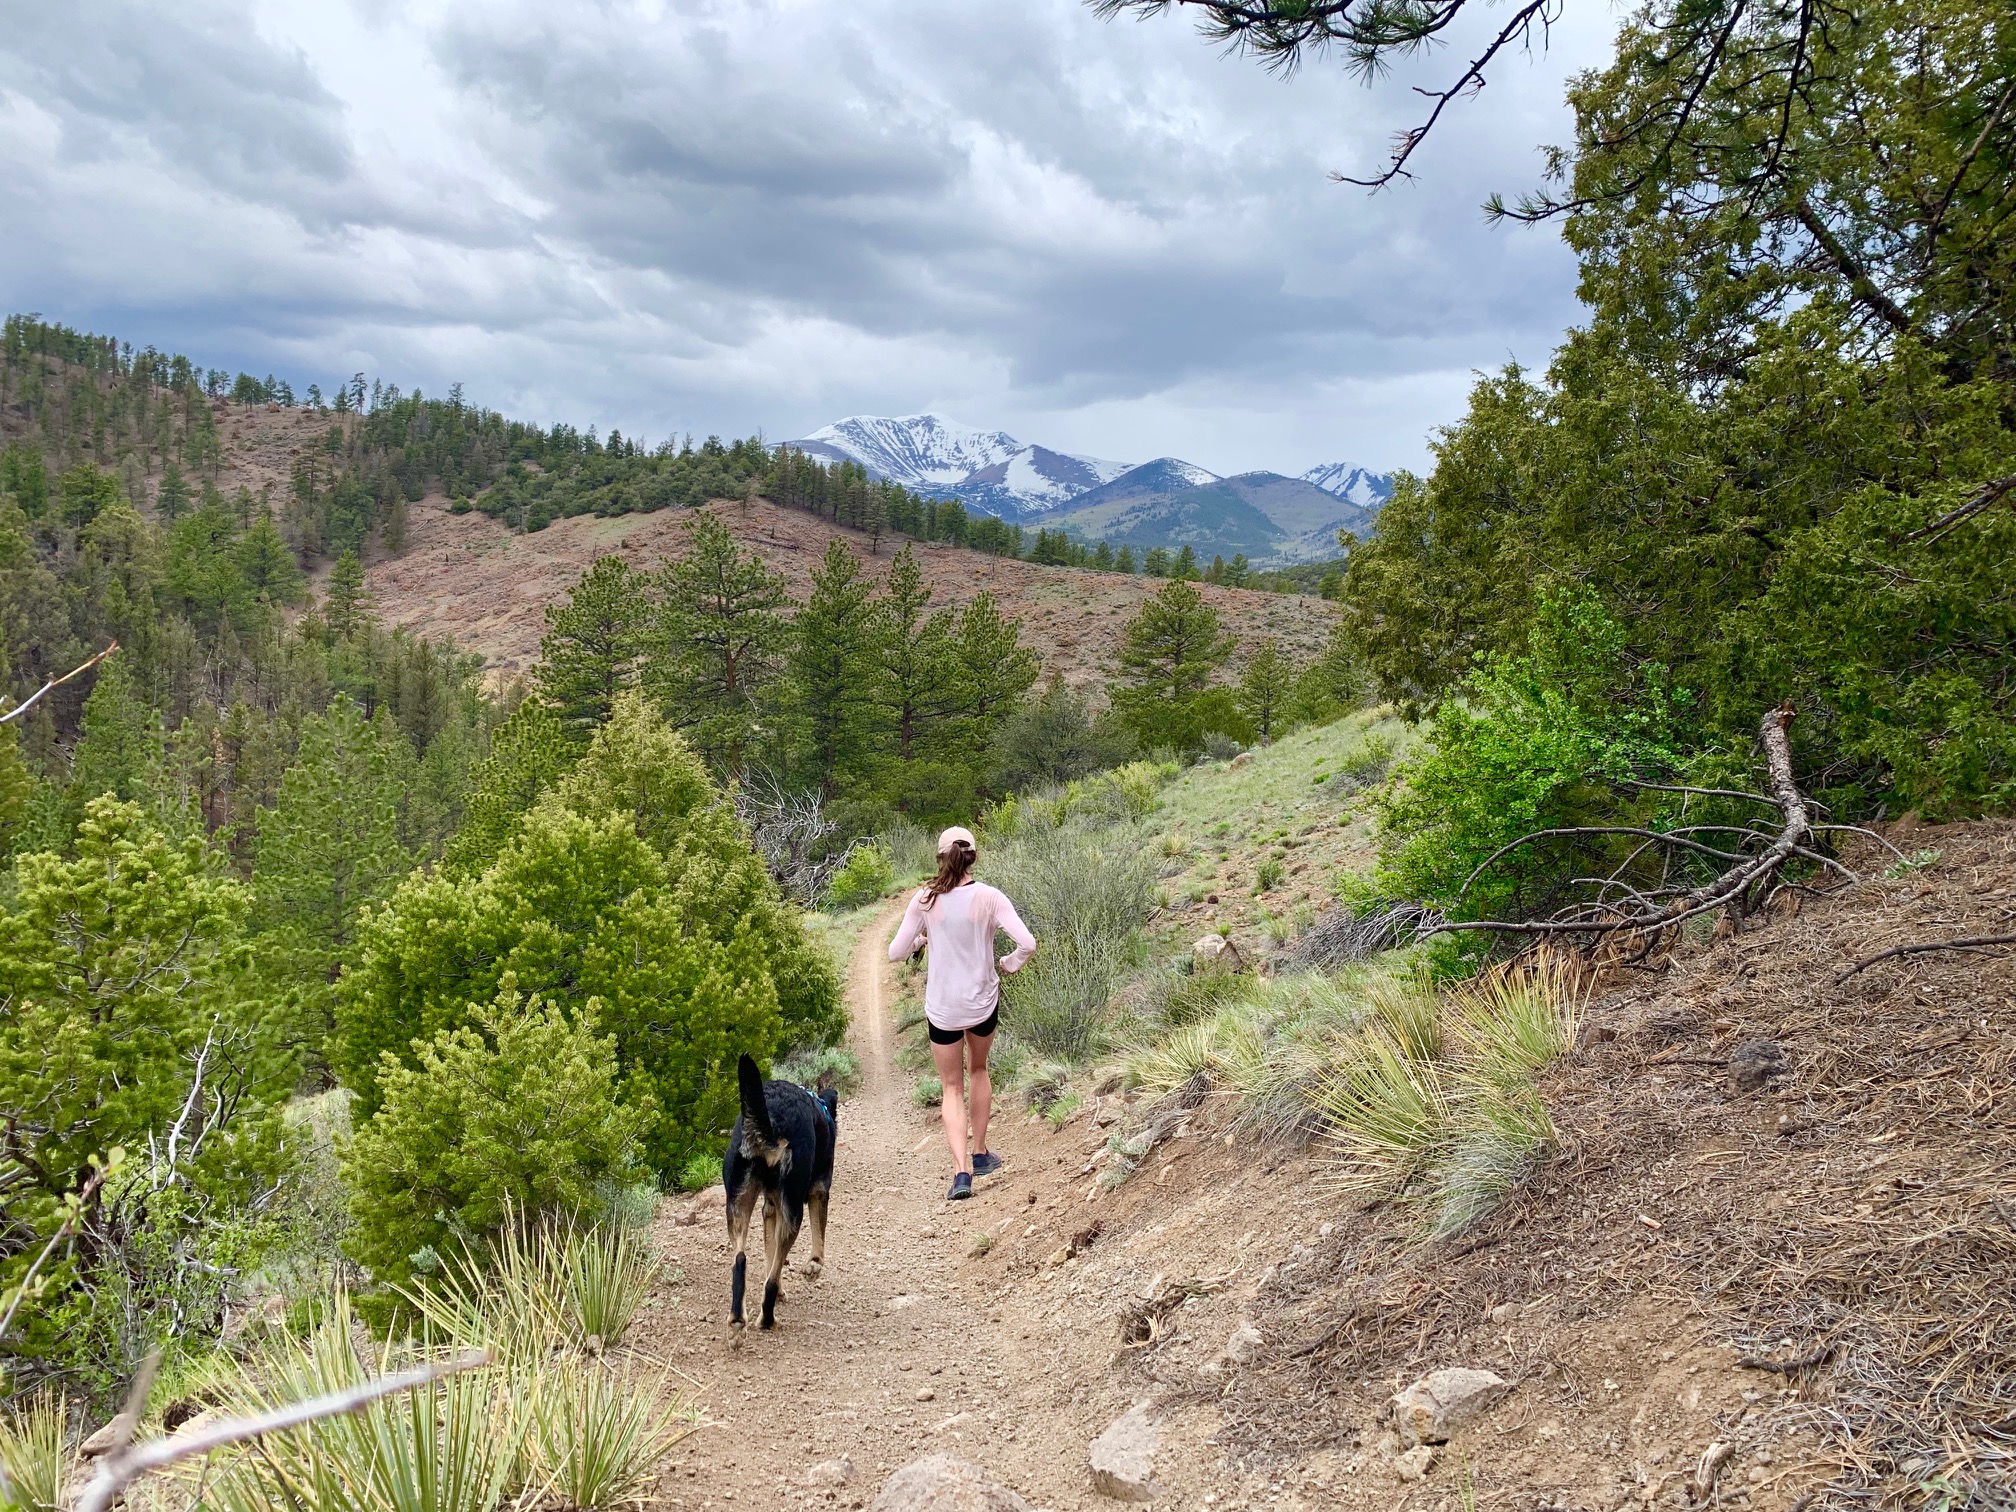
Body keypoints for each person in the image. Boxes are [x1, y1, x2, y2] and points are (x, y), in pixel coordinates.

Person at [888, 826, 1036, 1200]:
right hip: (982, 1003)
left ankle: (961, 1174)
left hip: (943, 1010)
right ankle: (981, 1152)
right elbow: (1028, 943)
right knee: (980, 1069)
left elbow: (895, 952)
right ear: (974, 857)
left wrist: (922, 940)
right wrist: (1010, 962)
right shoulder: (990, 897)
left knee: (951, 1087)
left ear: (940, 858)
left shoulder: (924, 900)